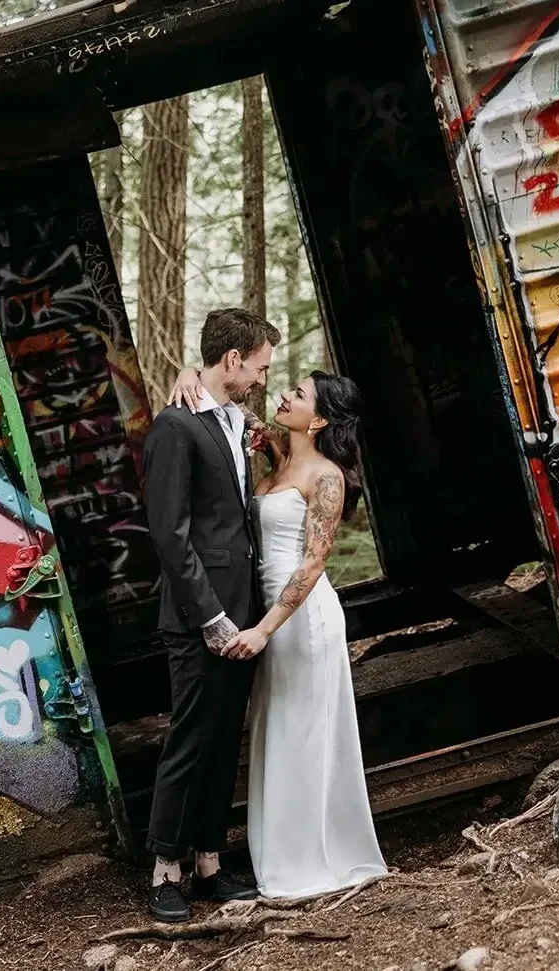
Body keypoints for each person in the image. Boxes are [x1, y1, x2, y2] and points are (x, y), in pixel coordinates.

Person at [168, 364, 388, 900]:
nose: (285, 394)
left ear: (319, 420)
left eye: (299, 394)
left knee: (305, 732)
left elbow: (313, 563)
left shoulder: (327, 477)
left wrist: (264, 630)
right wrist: (188, 372)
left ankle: (313, 857)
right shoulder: (276, 454)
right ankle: (283, 854)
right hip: (263, 616)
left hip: (301, 620)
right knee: (276, 730)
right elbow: (224, 390)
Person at [141, 308, 279, 923]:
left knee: (225, 739)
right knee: (191, 739)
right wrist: (211, 617)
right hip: (199, 616)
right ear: (232, 360)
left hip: (243, 611)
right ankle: (164, 868)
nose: (263, 379)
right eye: (259, 368)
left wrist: (243, 615)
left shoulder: (234, 420)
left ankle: (208, 859)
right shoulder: (175, 426)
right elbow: (170, 535)